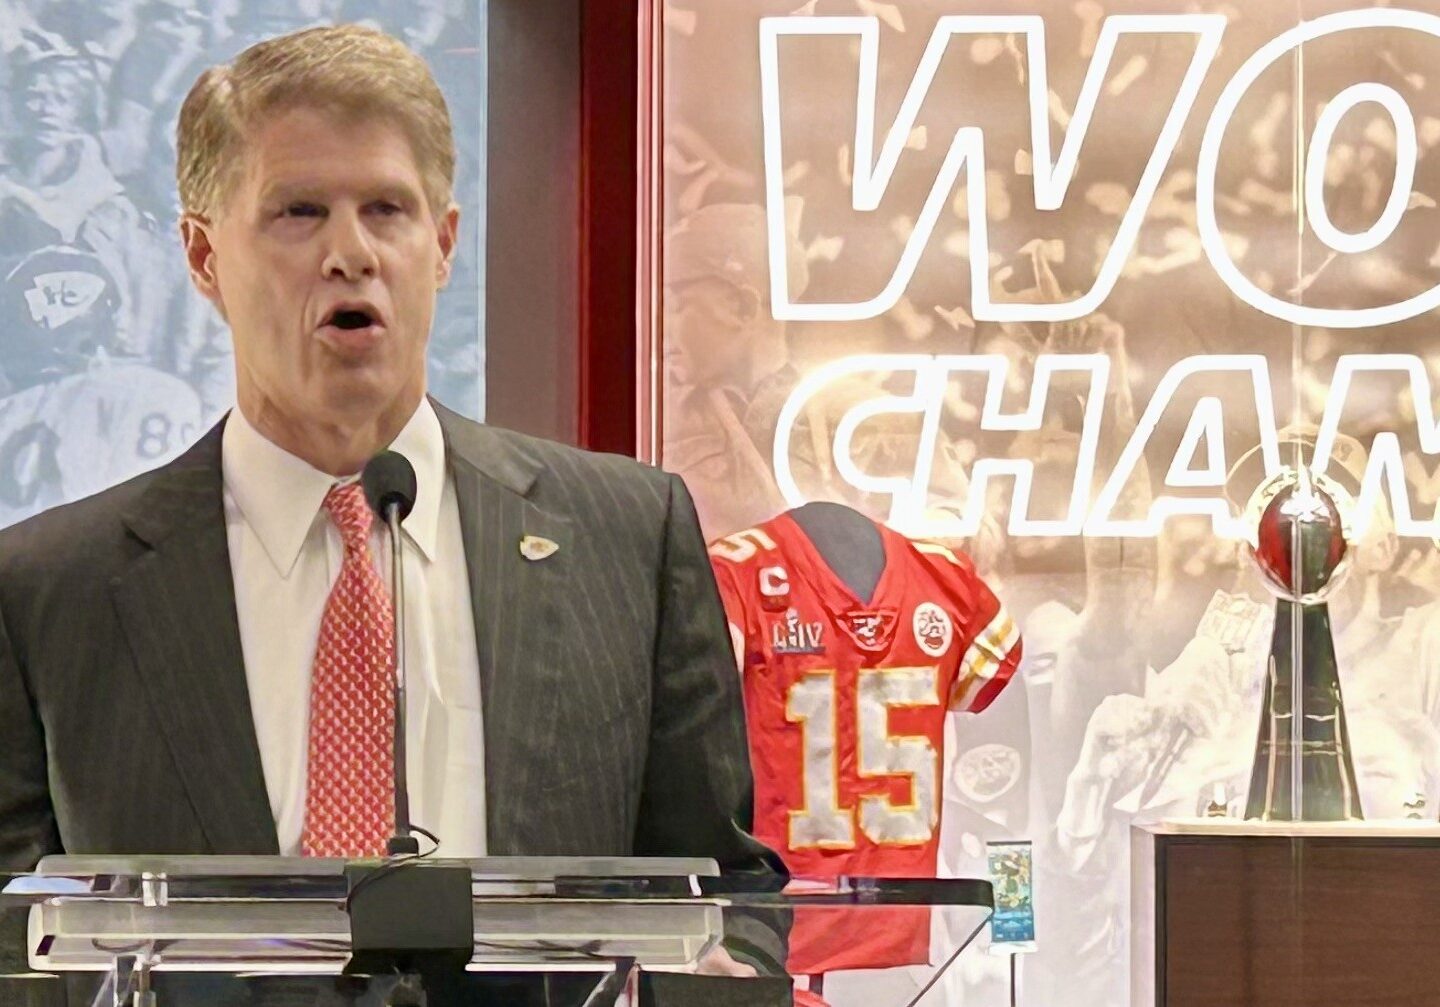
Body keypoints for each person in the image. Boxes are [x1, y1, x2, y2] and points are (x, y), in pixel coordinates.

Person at [0, 21, 782, 1000]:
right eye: (297, 211)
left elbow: (729, 890)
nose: (350, 253)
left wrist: (716, 976)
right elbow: (10, 937)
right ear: (202, 256)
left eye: (387, 209)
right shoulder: (51, 590)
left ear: (444, 243)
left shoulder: (628, 535)